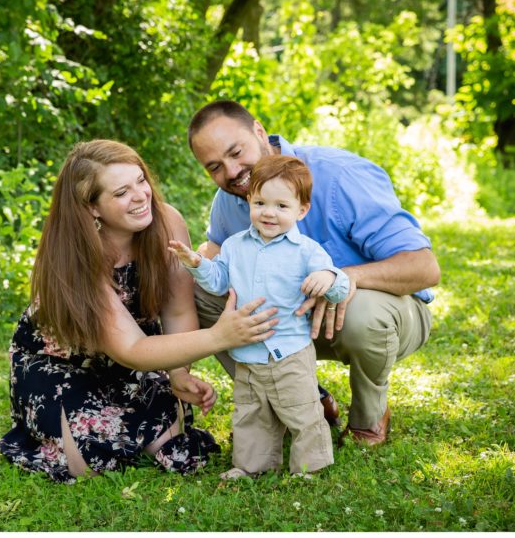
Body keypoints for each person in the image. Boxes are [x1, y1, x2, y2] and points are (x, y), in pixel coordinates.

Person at [0, 139, 279, 483]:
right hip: (60, 362)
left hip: (134, 356)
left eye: (141, 181)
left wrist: (177, 373)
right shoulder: (75, 255)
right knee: (87, 464)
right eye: (120, 193)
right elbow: (130, 349)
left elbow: (177, 311)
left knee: (173, 447)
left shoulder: (167, 222)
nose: (141, 195)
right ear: (92, 208)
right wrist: (220, 336)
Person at [187, 100, 441, 446]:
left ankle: (368, 417)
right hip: (292, 321)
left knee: (362, 313)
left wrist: (344, 278)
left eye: (236, 152)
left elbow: (424, 267)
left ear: (259, 131)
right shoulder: (229, 200)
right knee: (200, 292)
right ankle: (302, 402)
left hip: (376, 317)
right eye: (215, 166)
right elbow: (214, 259)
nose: (231, 172)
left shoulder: (338, 176)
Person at [168, 155, 348, 478]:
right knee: (251, 413)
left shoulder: (306, 251)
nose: (269, 212)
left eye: (281, 206)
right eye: (261, 202)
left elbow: (339, 286)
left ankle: (310, 466)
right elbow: (219, 279)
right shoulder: (236, 246)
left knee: (301, 410)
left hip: (289, 351)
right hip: (248, 353)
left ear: (301, 210)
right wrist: (196, 263)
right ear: (249, 199)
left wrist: (330, 279)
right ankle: (252, 465)